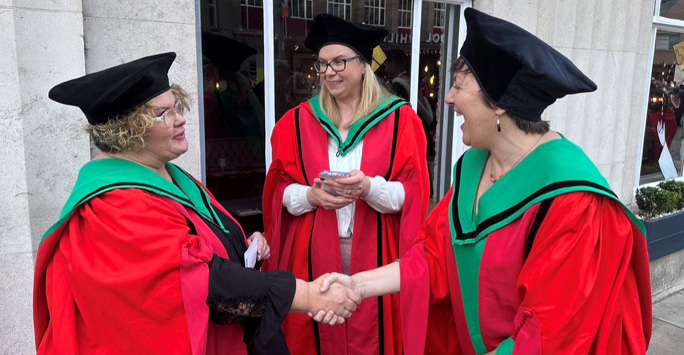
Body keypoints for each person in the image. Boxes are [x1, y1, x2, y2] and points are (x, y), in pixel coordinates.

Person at [318, 8, 652, 355]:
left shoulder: (571, 202)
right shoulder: (474, 165)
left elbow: (545, 337)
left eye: (459, 85)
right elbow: (432, 258)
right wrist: (356, 284)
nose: (447, 98)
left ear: (499, 105)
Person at [32, 52, 361, 355]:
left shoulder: (171, 177)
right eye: (164, 114)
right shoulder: (113, 207)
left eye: (177, 107)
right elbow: (201, 283)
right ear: (127, 131)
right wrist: (305, 295)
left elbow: (202, 244)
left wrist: (244, 246)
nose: (180, 119)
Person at [262, 14, 430, 355]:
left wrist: (368, 188)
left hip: (379, 253)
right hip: (312, 252)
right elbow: (278, 192)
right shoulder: (296, 122)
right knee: (316, 336)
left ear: (364, 65)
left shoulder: (401, 121)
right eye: (323, 64)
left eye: (340, 61)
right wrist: (310, 196)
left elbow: (411, 195)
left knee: (373, 336)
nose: (329, 72)